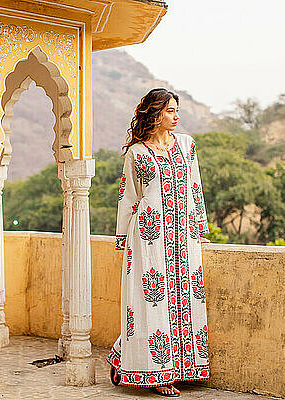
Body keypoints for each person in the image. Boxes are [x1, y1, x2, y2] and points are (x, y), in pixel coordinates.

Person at [107, 88, 211, 397]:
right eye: (170, 111)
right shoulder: (137, 153)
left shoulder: (187, 146)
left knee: (185, 299)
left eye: (177, 111)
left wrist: (199, 227)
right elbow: (129, 197)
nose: (177, 116)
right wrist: (124, 238)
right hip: (149, 237)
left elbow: (195, 187)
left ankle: (180, 368)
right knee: (152, 301)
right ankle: (156, 374)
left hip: (183, 234)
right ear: (155, 114)